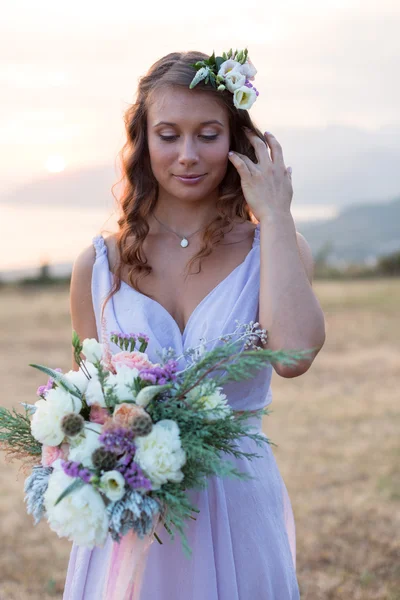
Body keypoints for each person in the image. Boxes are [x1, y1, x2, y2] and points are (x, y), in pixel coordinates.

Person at [65, 49, 326, 599]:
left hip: (238, 504)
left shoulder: (274, 249)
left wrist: (275, 214)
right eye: (168, 134)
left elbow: (296, 354)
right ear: (142, 142)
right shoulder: (98, 265)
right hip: (133, 510)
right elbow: (88, 406)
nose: (188, 155)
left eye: (208, 134)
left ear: (237, 141)